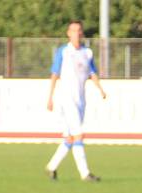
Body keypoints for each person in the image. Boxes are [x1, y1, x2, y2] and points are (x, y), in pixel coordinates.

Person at [44, 21, 106, 183]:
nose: (76, 33)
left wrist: (100, 89)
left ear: (82, 33)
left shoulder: (87, 53)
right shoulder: (63, 52)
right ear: (68, 33)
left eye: (79, 30)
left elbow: (92, 73)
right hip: (66, 100)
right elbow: (54, 74)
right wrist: (49, 97)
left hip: (81, 100)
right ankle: (85, 173)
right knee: (79, 135)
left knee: (70, 139)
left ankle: (51, 167)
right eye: (73, 30)